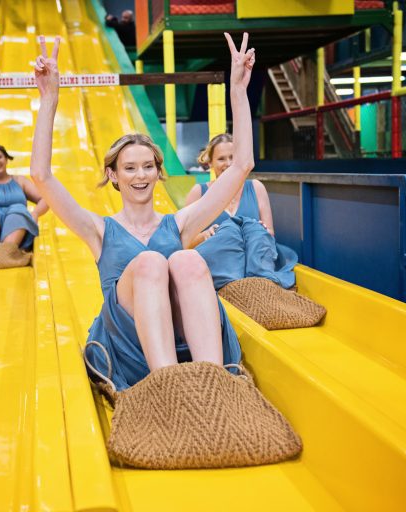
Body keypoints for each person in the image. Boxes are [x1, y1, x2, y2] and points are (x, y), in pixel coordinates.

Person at [30, 33, 255, 390]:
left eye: (148, 166)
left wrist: (238, 92)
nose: (140, 175)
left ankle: (215, 385)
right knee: (151, 262)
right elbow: (40, 176)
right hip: (131, 350)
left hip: (185, 339)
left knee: (187, 261)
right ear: (113, 175)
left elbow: (241, 165)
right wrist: (49, 99)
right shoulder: (98, 230)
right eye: (130, 168)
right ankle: (165, 387)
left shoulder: (179, 223)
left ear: (158, 171)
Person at [184, 134, 297, 290]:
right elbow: (182, 243)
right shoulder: (198, 193)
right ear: (210, 162)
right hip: (219, 268)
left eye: (232, 157)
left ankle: (261, 285)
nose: (228, 163)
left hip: (255, 261)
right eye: (221, 159)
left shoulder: (256, 187)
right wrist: (204, 235)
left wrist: (259, 229)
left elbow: (270, 233)